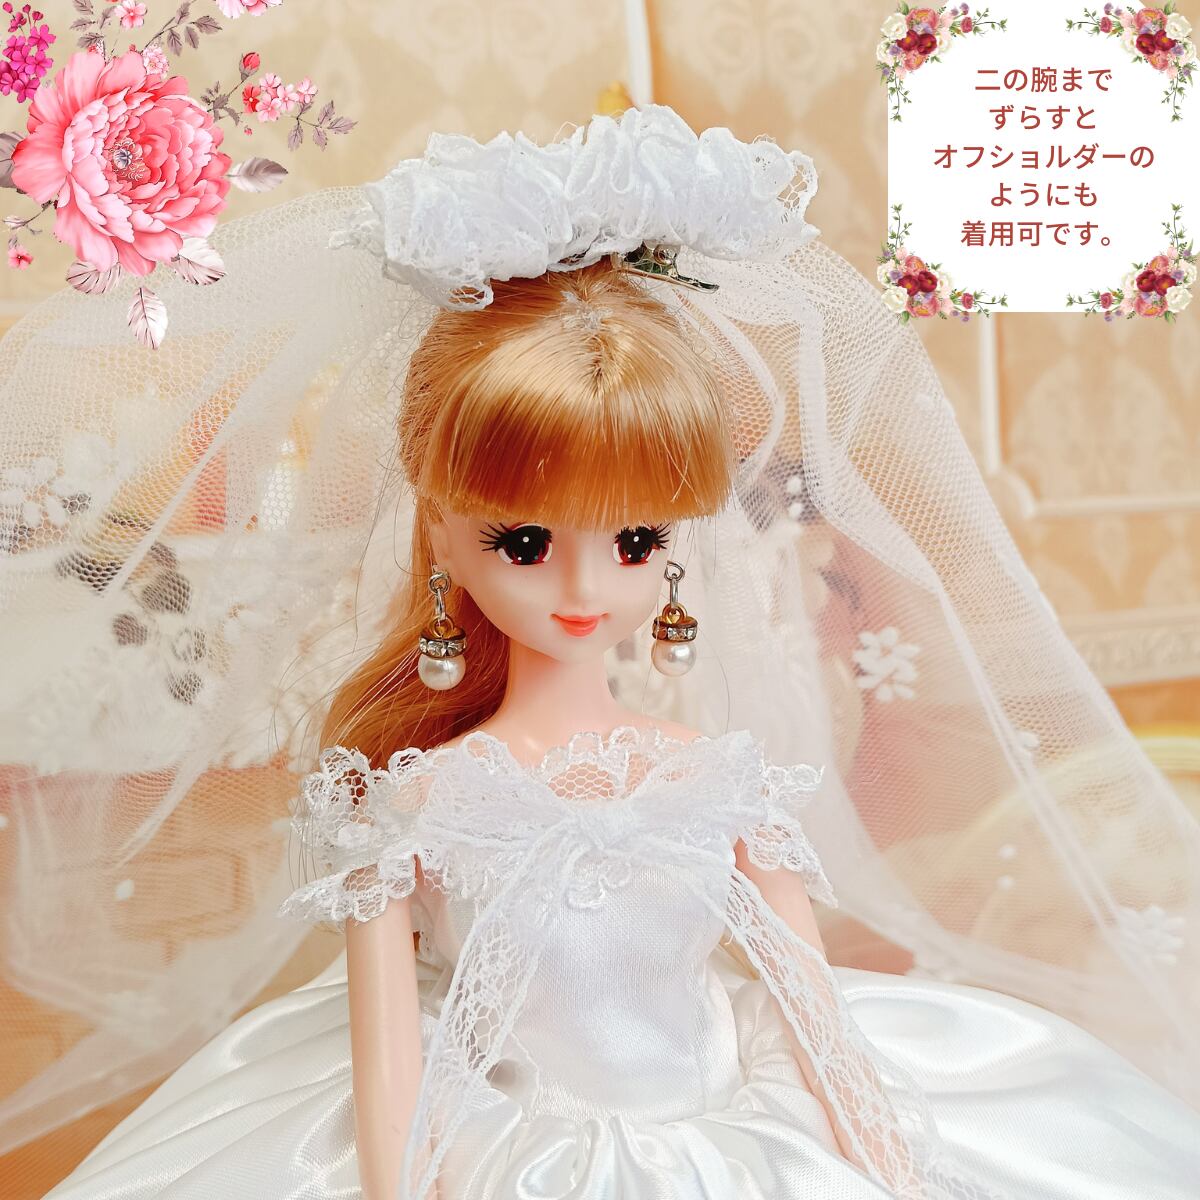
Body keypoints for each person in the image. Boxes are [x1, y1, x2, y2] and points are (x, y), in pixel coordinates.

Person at [9, 105, 1200, 1200]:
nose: (585, 589)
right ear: (442, 531)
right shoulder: (414, 803)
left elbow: (815, 1020)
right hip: (508, 1157)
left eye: (635, 541)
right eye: (524, 542)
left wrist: (886, 1165)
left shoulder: (717, 781)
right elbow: (393, 1077)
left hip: (738, 1142)